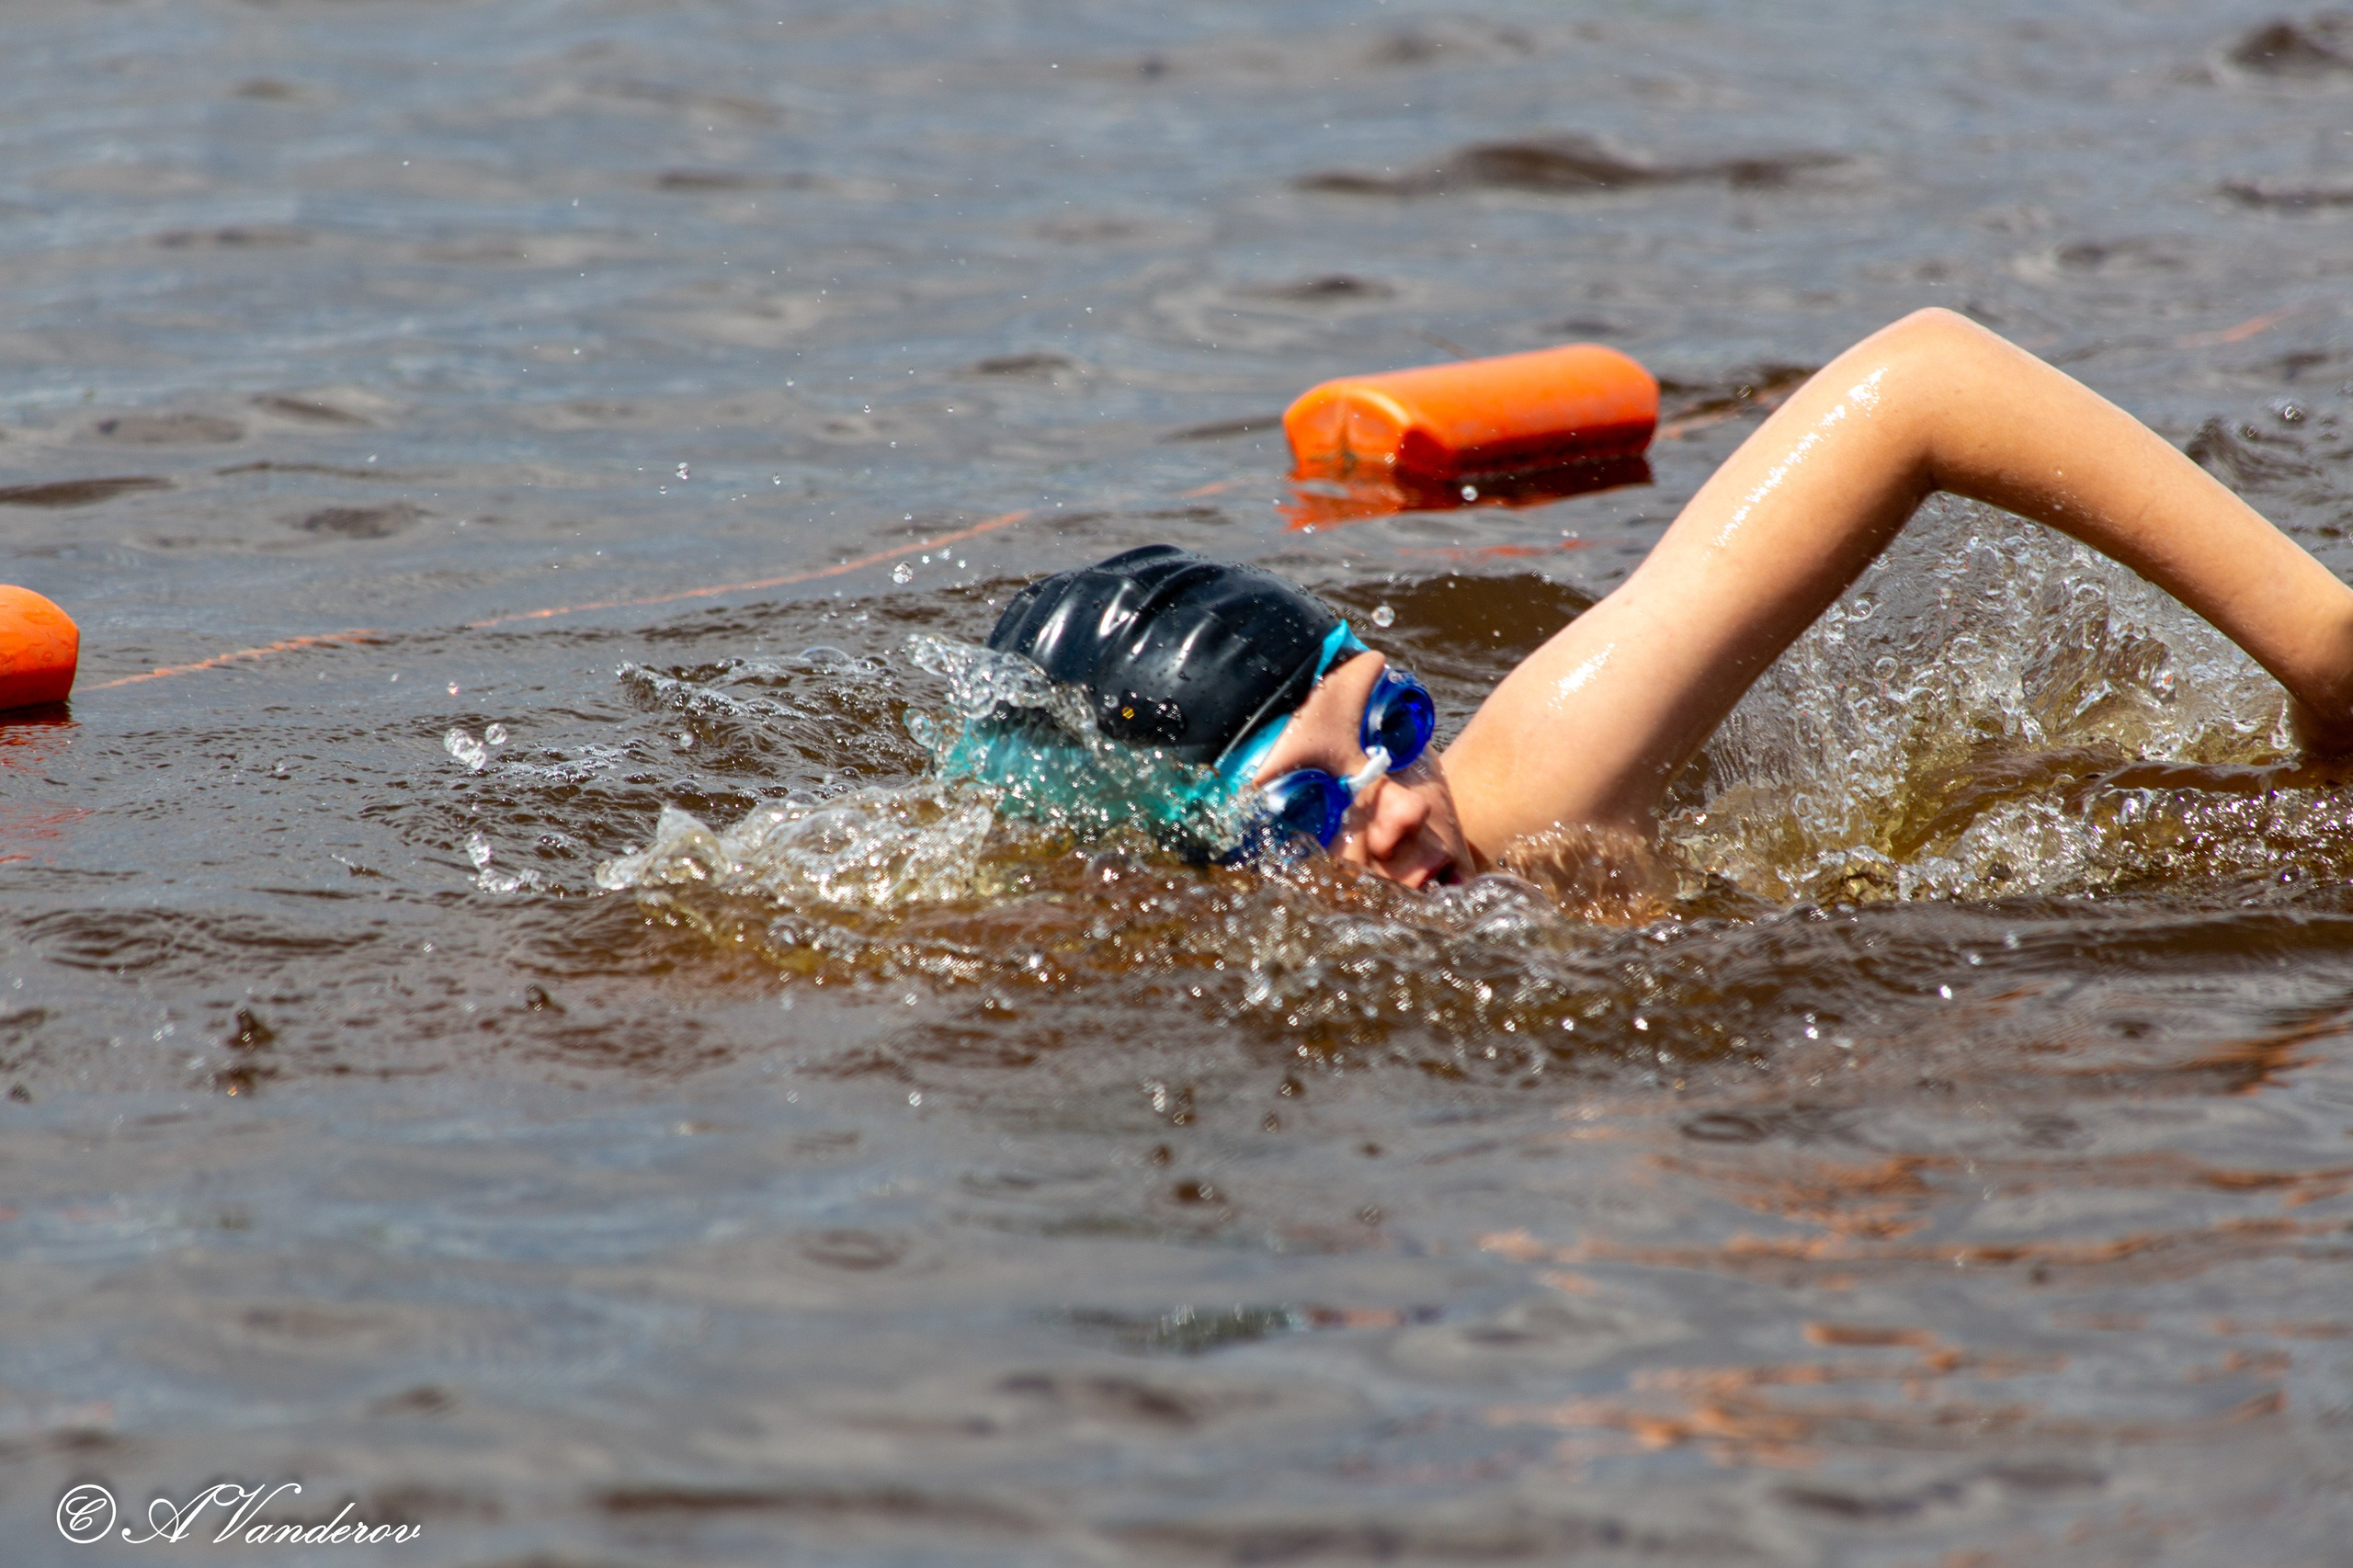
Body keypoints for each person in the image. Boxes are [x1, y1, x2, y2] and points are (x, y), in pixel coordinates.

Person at [980, 308, 2353, 895]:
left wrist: (2322, 648)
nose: (1402, 804)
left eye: (1393, 726)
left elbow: (1928, 381)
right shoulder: (1136, 959)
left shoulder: (1534, 790)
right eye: (1306, 810)